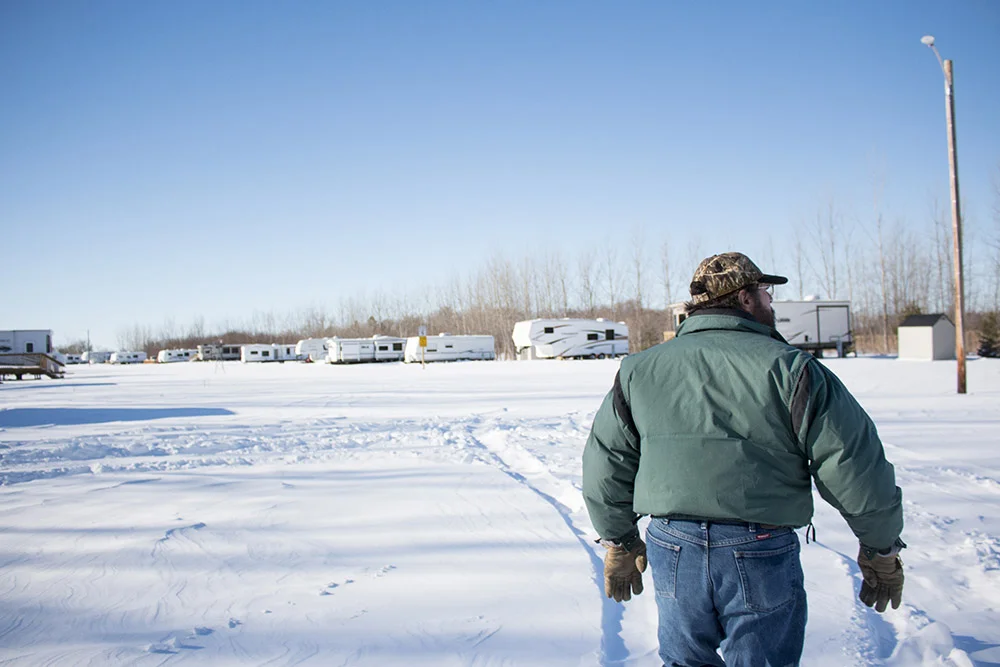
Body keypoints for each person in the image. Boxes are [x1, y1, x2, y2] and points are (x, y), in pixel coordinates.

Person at [582, 252, 905, 667]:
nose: (771, 302)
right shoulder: (793, 369)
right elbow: (853, 466)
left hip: (674, 543)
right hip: (759, 547)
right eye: (765, 292)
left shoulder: (639, 370)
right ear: (745, 298)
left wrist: (620, 540)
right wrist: (881, 548)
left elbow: (606, 463)